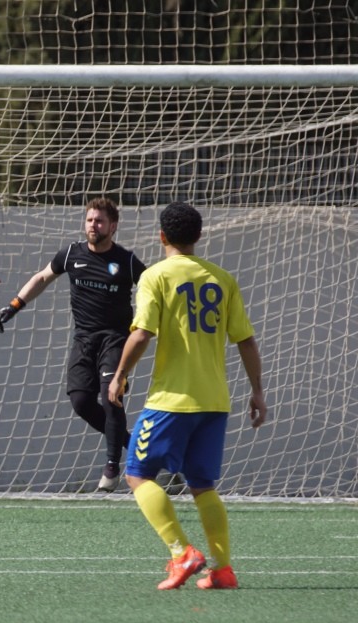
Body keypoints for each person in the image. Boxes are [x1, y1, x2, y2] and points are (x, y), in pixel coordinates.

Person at [108, 201, 266, 590]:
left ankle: (182, 554)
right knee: (203, 485)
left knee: (137, 474)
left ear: (161, 236)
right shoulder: (223, 279)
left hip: (171, 400)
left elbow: (141, 334)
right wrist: (258, 391)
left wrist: (119, 375)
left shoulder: (155, 276)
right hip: (214, 402)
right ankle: (223, 569)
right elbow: (246, 340)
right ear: (198, 236)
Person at [0, 198, 146, 492]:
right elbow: (42, 277)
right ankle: (128, 442)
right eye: (89, 220)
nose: (93, 225)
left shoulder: (126, 261)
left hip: (116, 340)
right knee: (80, 401)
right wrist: (14, 306)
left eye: (99, 221)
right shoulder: (71, 254)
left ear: (113, 227)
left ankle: (112, 467)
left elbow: (151, 285)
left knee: (111, 397)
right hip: (84, 339)